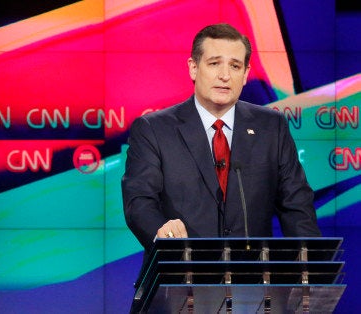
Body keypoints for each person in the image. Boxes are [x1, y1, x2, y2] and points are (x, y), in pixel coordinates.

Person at [121, 23, 321, 308]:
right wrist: (162, 231)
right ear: (193, 67)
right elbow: (139, 200)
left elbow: (297, 207)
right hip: (175, 289)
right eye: (214, 63)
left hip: (253, 297)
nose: (225, 75)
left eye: (235, 66)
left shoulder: (271, 127)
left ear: (246, 74)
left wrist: (309, 276)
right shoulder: (154, 129)